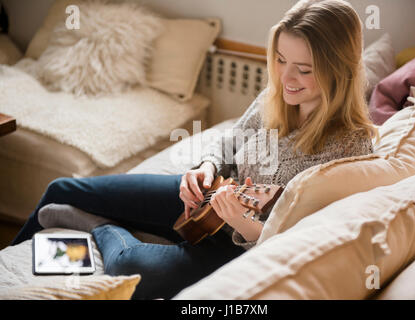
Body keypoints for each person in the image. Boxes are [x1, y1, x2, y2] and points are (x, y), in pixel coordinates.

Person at [11, 0, 379, 299]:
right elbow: (232, 141)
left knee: (130, 271)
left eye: (304, 69)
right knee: (61, 188)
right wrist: (205, 167)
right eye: (280, 61)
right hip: (208, 198)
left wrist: (244, 224)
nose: (285, 78)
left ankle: (100, 227)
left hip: (237, 247)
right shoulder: (277, 95)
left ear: (339, 70)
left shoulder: (352, 146)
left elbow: (308, 238)